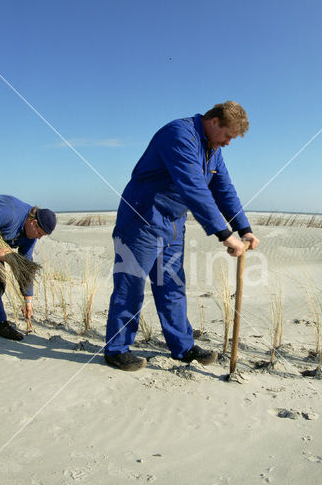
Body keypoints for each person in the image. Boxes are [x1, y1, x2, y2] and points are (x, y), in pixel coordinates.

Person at [104, 101, 260, 371]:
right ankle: (117, 349)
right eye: (228, 136)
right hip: (142, 219)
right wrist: (225, 234)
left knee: (173, 287)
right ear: (213, 122)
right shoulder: (178, 135)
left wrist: (244, 228)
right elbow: (194, 188)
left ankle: (183, 347)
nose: (229, 143)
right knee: (131, 285)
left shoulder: (213, 149)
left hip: (173, 225)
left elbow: (223, 188)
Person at [0, 195, 57, 341]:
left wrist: (28, 300)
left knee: (1, 282)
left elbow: (25, 266)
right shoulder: (10, 212)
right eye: (40, 233)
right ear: (33, 223)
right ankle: (0, 323)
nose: (39, 238)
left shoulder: (30, 235)